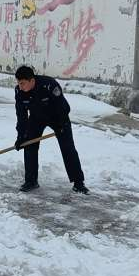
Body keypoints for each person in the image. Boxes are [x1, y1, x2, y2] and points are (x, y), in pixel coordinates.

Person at [14, 65, 89, 194]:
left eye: (23, 83)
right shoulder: (19, 92)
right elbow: (21, 116)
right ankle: (31, 181)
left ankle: (78, 183)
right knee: (29, 145)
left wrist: (61, 126)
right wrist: (21, 137)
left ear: (32, 80)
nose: (20, 86)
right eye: (19, 83)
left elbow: (63, 107)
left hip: (58, 117)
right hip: (37, 118)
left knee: (68, 148)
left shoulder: (49, 85)